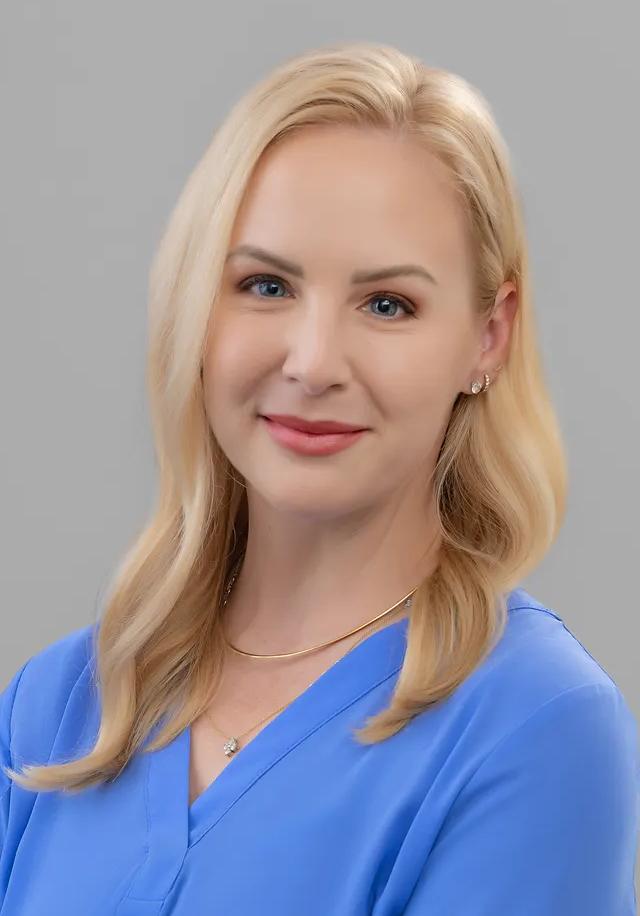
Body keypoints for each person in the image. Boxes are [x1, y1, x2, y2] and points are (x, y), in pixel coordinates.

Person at [1, 41, 638, 915]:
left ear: (489, 337)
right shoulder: (61, 706)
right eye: (265, 286)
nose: (312, 363)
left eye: (388, 304)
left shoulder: (537, 731)